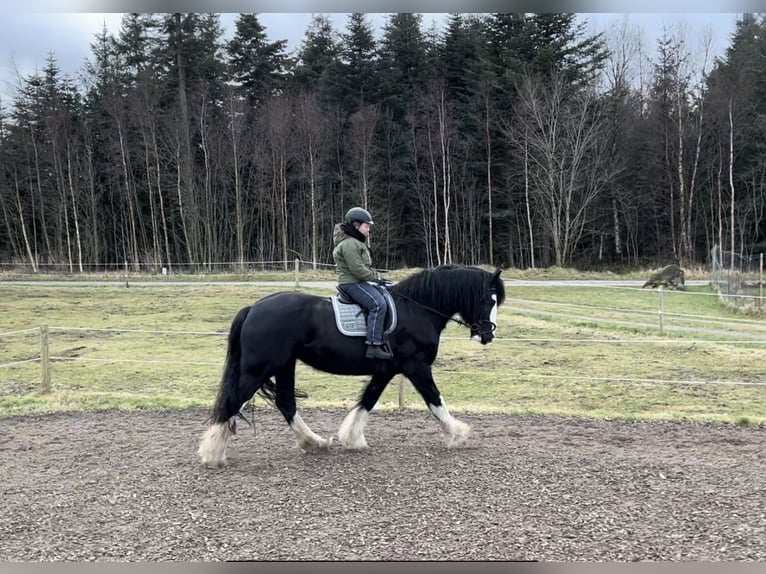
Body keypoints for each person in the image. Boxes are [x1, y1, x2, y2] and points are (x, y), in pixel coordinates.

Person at [332, 207, 395, 360]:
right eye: (366, 226)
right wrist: (377, 277)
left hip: (357, 281)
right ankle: (373, 345)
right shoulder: (350, 244)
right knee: (378, 304)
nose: (368, 230)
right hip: (352, 283)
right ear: (356, 226)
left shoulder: (354, 242)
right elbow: (358, 270)